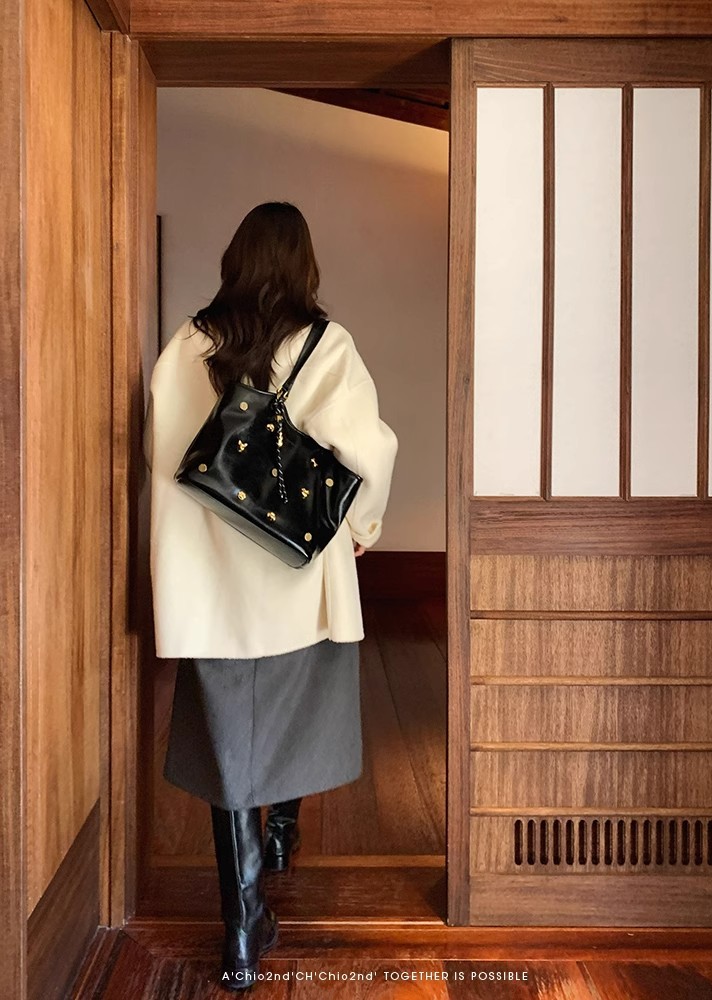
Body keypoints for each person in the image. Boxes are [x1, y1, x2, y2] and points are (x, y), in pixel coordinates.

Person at [144, 201, 398, 991]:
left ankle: (241, 927)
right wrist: (364, 527)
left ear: (235, 259)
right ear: (303, 265)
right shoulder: (326, 343)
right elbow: (366, 451)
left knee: (229, 744)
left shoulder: (188, 344)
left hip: (209, 583)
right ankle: (283, 833)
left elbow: (159, 453)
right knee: (292, 714)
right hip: (294, 576)